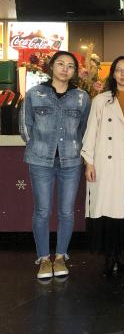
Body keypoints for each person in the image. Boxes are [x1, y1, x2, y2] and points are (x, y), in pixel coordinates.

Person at [19, 51, 90, 279]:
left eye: (70, 65)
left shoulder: (81, 97)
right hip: (40, 162)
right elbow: (25, 127)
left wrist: (76, 148)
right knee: (42, 211)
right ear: (51, 67)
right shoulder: (34, 94)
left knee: (66, 211)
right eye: (60, 64)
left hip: (71, 161)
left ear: (75, 71)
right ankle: (43, 259)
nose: (65, 69)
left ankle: (60, 257)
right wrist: (38, 147)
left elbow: (84, 129)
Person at [82, 56, 124, 276]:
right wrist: (89, 162)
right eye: (118, 70)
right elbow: (91, 131)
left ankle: (120, 255)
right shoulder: (101, 100)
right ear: (113, 74)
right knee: (109, 213)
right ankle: (109, 257)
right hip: (107, 163)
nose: (123, 73)